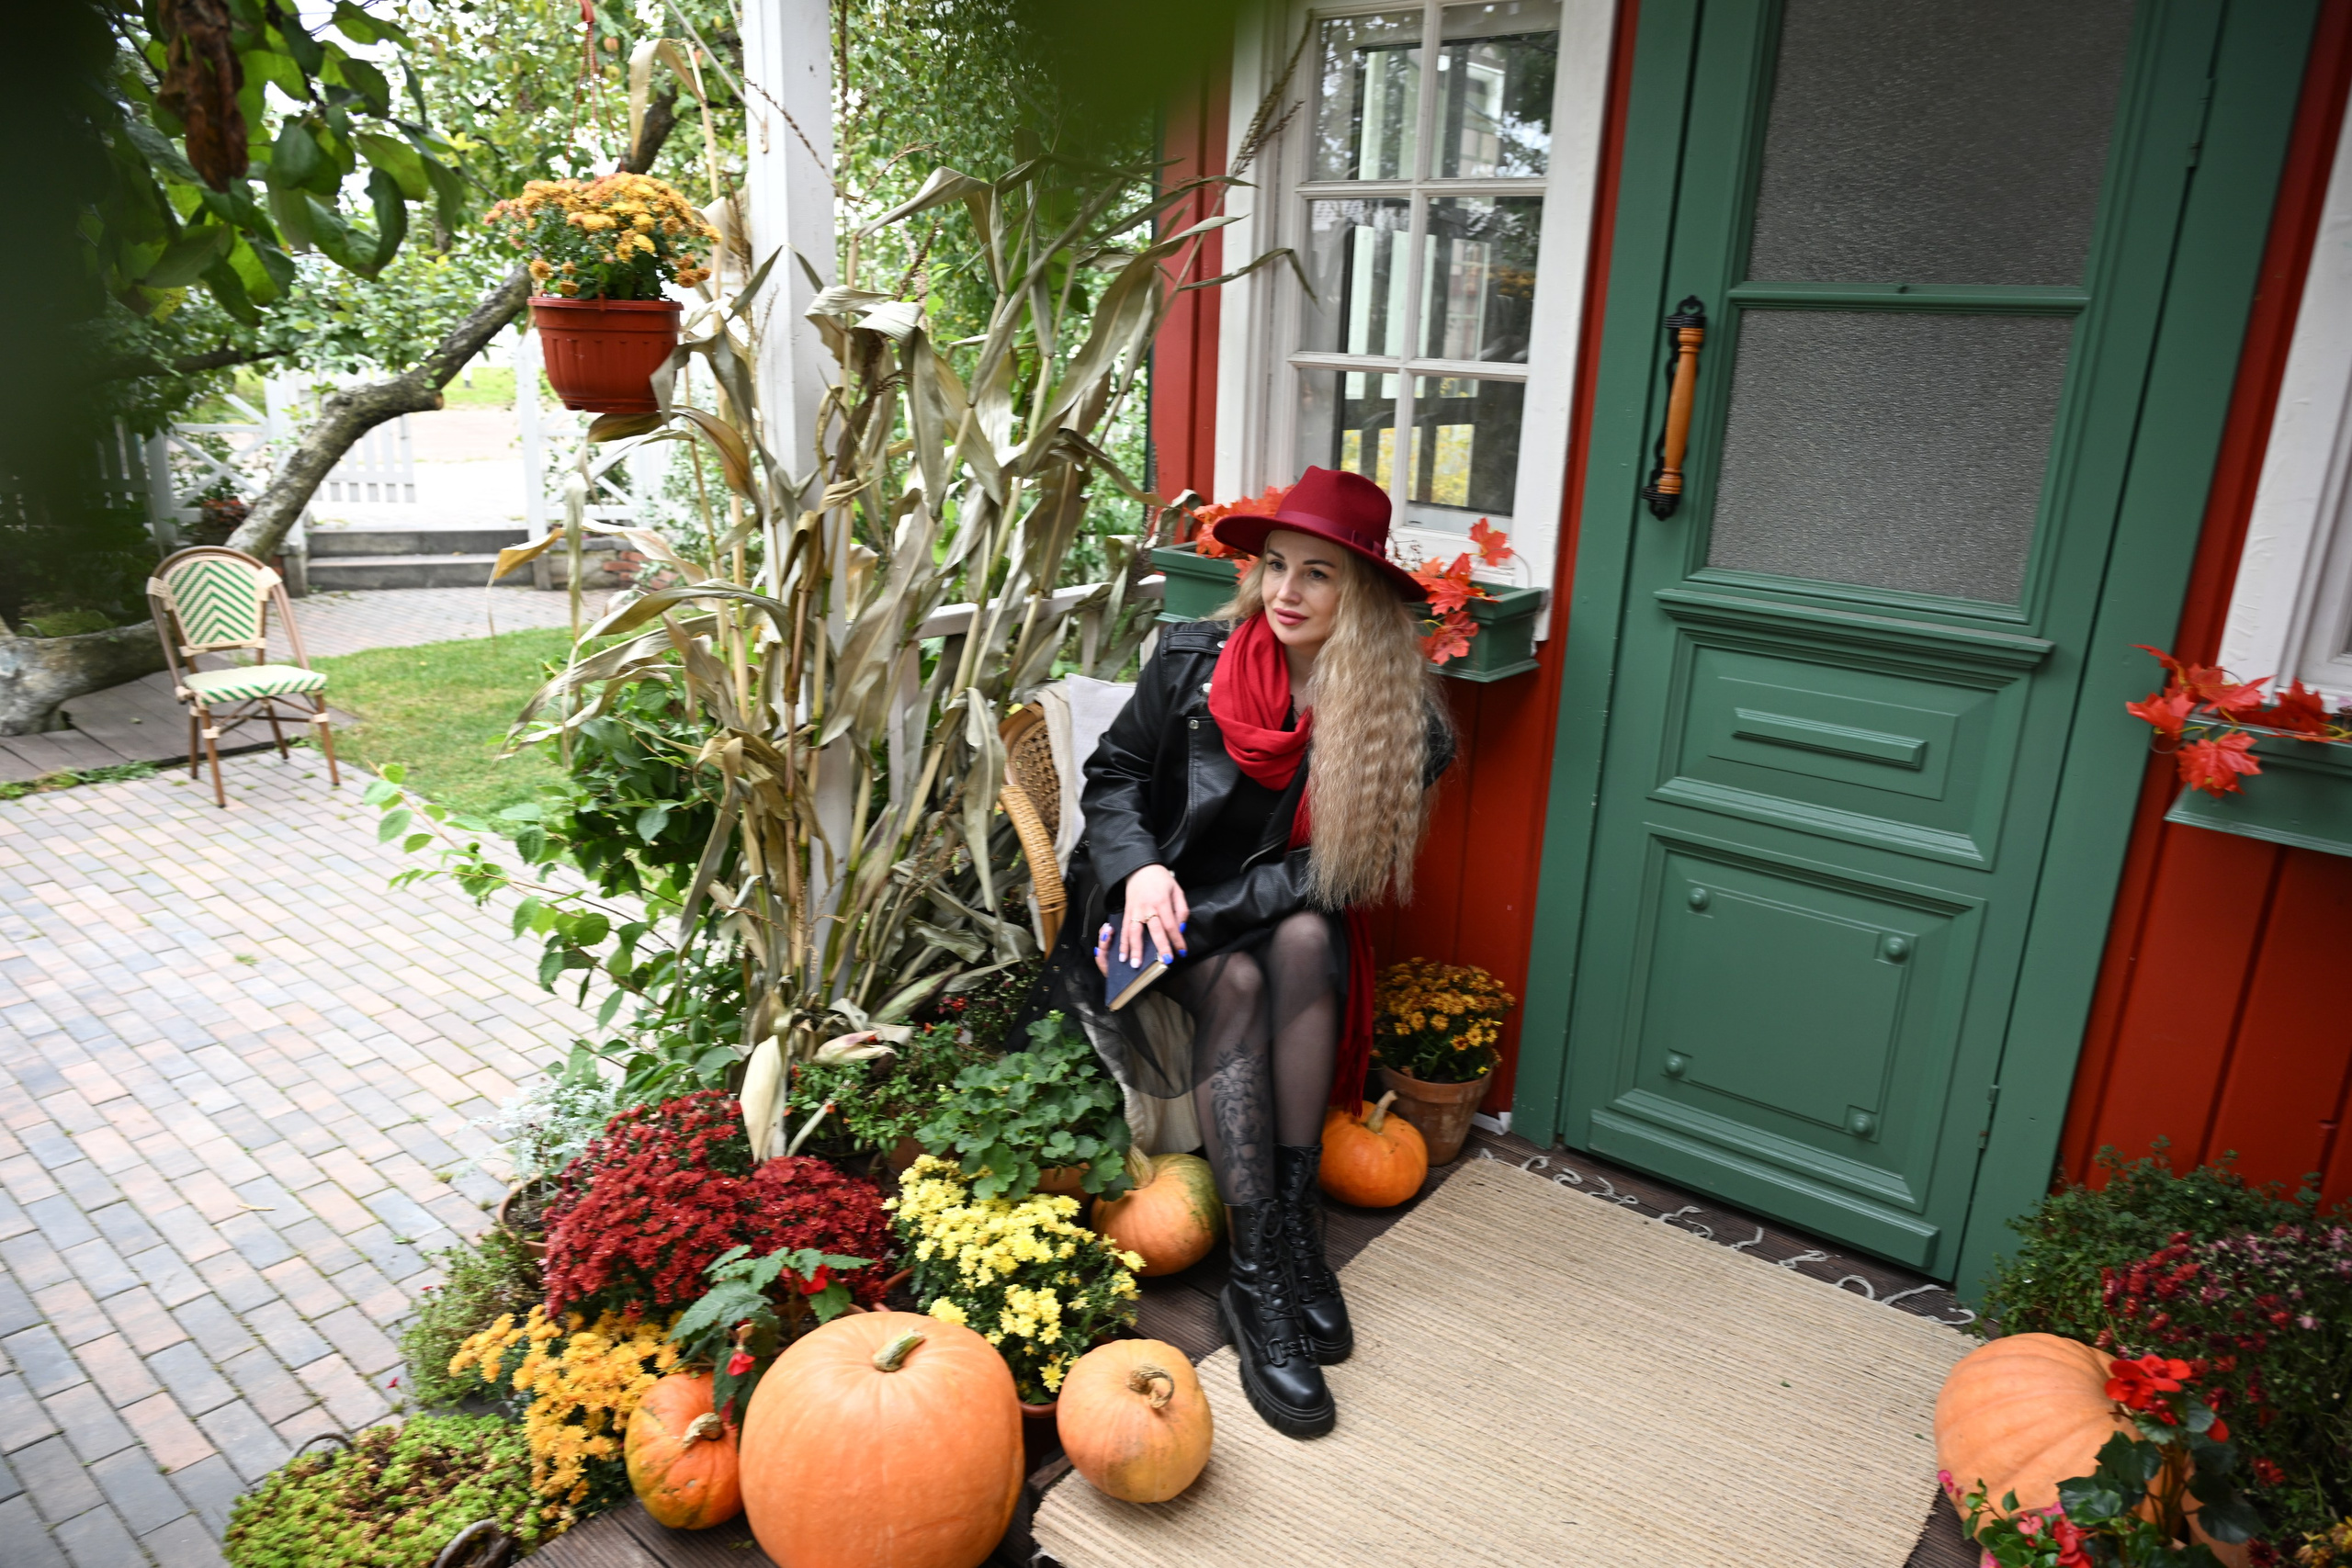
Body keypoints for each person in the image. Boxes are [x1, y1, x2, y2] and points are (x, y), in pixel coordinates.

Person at [1049, 465, 1453, 1438]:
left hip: (1246, 913)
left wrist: (1207, 906)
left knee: (1309, 932)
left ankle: (1281, 1233)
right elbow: (1113, 777)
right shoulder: (1192, 662)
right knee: (1239, 971)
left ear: (1356, 597)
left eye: (1317, 574)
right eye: (1275, 566)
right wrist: (1143, 871)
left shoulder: (1405, 725)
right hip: (1144, 916)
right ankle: (1260, 1268)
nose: (1285, 592)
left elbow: (1333, 877)